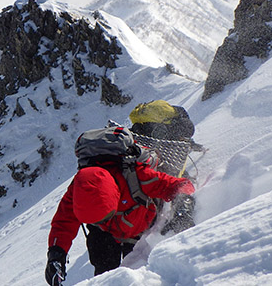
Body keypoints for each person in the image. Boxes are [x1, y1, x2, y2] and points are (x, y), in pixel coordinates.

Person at [45, 129, 195, 284]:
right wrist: (56, 255)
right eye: (96, 220)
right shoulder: (80, 186)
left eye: (104, 217)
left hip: (141, 232)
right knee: (105, 274)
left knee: (140, 275)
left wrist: (184, 206)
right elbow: (63, 223)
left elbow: (181, 185)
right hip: (106, 237)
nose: (102, 221)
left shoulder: (137, 175)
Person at [129, 100, 205, 151]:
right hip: (142, 125)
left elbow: (182, 134)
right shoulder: (161, 130)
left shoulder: (180, 113)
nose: (182, 139)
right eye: (182, 137)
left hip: (150, 111)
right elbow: (164, 152)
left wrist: (193, 144)